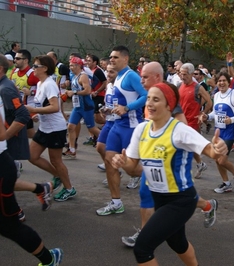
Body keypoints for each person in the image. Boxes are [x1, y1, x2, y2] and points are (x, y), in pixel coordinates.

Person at [111, 82, 228, 266]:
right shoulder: (142, 130)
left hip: (181, 200)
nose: (149, 103)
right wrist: (122, 161)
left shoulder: (179, 131)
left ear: (169, 105)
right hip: (159, 199)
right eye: (148, 98)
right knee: (177, 243)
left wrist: (220, 147)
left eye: (156, 99)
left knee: (142, 248)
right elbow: (133, 168)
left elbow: (212, 151)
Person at [121, 62, 218, 248]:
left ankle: (145, 235)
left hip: (171, 151)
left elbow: (180, 124)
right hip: (153, 152)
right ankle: (207, 205)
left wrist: (171, 142)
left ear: (157, 77)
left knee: (172, 192)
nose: (141, 80)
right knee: (155, 193)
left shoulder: (167, 95)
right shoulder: (150, 98)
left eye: (145, 77)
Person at [0, 87, 63, 266]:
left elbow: (3, 133)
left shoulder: (4, 88)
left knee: (9, 226)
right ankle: (39, 188)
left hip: (1, 167)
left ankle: (49, 260)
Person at [96, 45, 147, 216]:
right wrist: (109, 109)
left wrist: (127, 108)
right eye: (111, 57)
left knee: (131, 169)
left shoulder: (131, 75)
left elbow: (145, 95)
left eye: (116, 57)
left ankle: (159, 176)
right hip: (117, 126)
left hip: (131, 127)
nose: (112, 59)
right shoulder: (117, 77)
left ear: (125, 59)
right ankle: (116, 202)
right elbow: (120, 102)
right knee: (110, 162)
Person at [25, 55, 74, 202]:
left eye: (35, 66)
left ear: (45, 68)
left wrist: (34, 110)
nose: (33, 69)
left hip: (55, 129)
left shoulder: (49, 84)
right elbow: (44, 106)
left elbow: (54, 107)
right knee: (32, 156)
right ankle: (58, 176)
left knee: (56, 161)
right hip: (45, 127)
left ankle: (69, 189)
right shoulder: (41, 84)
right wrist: (37, 115)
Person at [200, 72, 234, 193]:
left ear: (228, 82)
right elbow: (215, 113)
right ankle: (226, 183)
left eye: (224, 80)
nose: (221, 83)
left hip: (230, 131)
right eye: (219, 81)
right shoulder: (217, 95)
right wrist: (207, 117)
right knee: (216, 158)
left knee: (222, 160)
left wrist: (232, 120)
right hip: (219, 131)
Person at [178, 63, 212, 179]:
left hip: (192, 123)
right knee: (190, 147)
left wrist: (202, 114)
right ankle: (200, 164)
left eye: (185, 74)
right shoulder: (179, 86)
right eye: (181, 74)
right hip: (180, 122)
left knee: (186, 148)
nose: (182, 77)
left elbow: (209, 102)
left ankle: (184, 174)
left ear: (192, 74)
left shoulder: (198, 87)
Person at [63, 57, 100, 159]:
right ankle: (72, 150)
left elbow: (88, 91)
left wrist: (74, 92)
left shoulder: (83, 76)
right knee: (70, 127)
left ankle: (108, 141)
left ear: (78, 65)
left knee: (91, 128)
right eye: (69, 65)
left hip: (86, 106)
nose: (70, 67)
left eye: (72, 65)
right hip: (77, 107)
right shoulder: (74, 76)